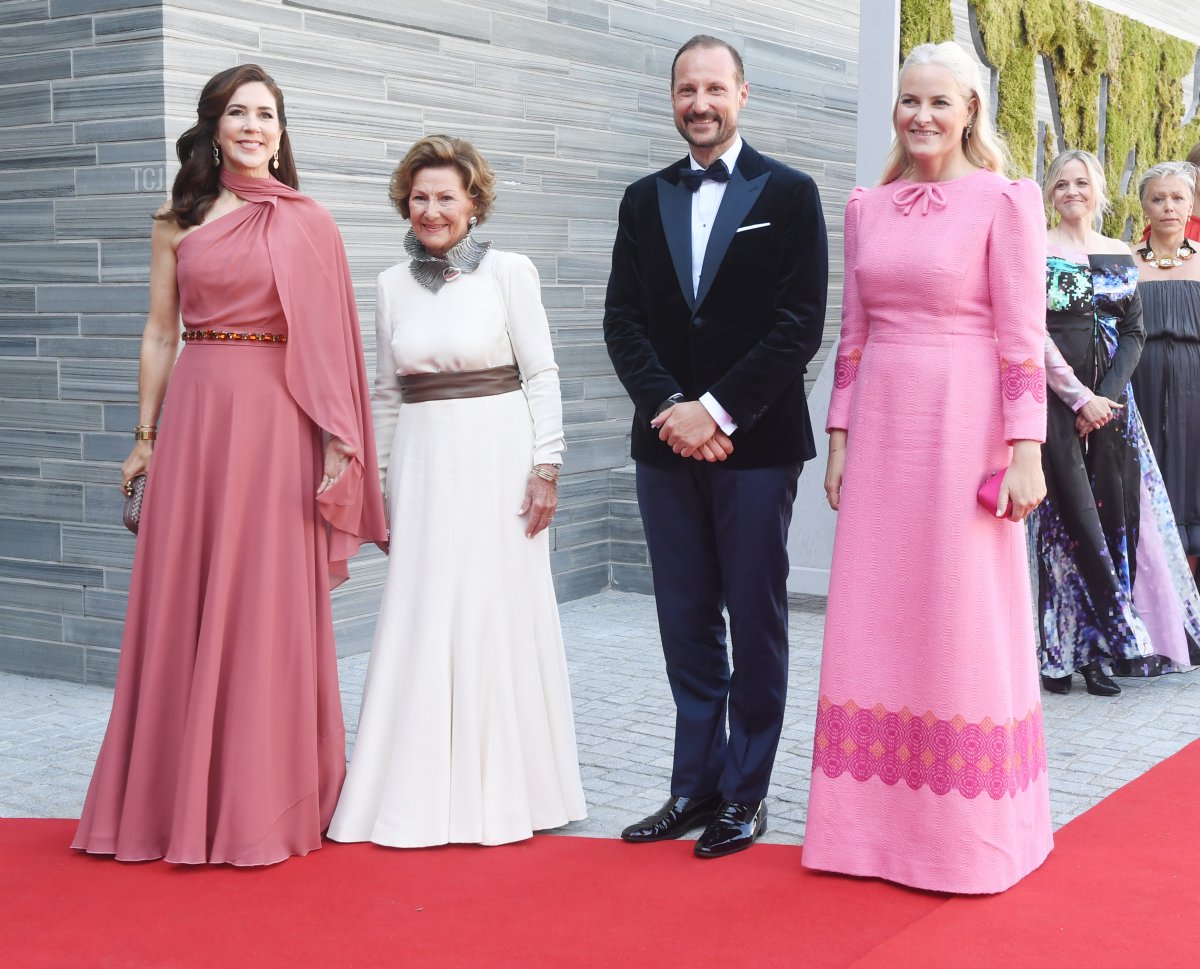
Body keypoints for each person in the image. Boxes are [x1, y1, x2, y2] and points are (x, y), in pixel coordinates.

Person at [72, 65, 387, 865]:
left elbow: (334, 342)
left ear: (281, 133)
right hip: (199, 417)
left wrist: (339, 440)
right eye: (238, 113)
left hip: (279, 422)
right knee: (185, 596)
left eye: (267, 114)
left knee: (264, 601)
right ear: (214, 128)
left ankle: (262, 797)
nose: (253, 126)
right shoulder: (176, 219)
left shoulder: (309, 221)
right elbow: (159, 332)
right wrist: (144, 436)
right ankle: (168, 800)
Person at [803, 41, 1052, 894]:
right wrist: (839, 436)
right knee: (876, 611)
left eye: (939, 102)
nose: (921, 116)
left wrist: (1025, 449)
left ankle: (966, 839)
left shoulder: (1005, 201)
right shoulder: (866, 207)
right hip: (882, 430)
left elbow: (1022, 336)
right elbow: (854, 333)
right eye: (910, 101)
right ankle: (863, 834)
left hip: (967, 426)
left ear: (970, 110)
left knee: (959, 612)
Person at [603, 35, 828, 859]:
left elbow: (799, 323)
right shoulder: (642, 199)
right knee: (685, 618)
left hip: (756, 445)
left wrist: (718, 410)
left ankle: (745, 791)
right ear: (673, 99)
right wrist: (671, 407)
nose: (699, 103)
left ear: (742, 94)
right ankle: (693, 783)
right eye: (685, 90)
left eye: (714, 88)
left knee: (755, 617)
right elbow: (622, 320)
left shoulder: (791, 193)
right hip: (665, 445)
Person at [326, 136, 586, 848]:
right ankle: (414, 789)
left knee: (496, 610)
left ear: (474, 203)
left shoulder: (509, 271)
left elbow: (542, 373)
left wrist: (547, 466)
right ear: (404, 204)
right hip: (422, 465)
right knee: (423, 610)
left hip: (500, 462)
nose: (432, 210)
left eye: (446, 196)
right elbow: (385, 393)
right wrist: (379, 488)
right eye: (420, 197)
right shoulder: (389, 285)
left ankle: (511, 792)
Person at [1031, 150, 1200, 697]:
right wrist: (1078, 398)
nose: (1072, 191)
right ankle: (1060, 652)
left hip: (1114, 411)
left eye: (1082, 182)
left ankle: (1102, 650)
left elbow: (1133, 332)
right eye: (1062, 183)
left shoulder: (1119, 252)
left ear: (1098, 190)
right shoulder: (1036, 248)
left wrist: (1104, 398)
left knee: (1113, 524)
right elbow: (1033, 331)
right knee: (1065, 527)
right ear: (1049, 192)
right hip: (1056, 405)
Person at [1131, 162, 1200, 574]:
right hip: (1140, 388)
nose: (1168, 207)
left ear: (1191, 204)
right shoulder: (1124, 262)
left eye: (1177, 198)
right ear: (1144, 206)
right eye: (1158, 198)